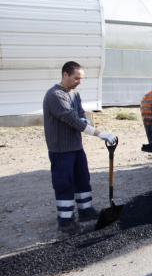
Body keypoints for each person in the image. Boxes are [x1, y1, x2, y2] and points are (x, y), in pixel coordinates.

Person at [43, 61, 117, 233]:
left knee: (82, 178)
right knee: (64, 183)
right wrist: (99, 133)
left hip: (76, 146)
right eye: (76, 78)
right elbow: (70, 118)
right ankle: (66, 221)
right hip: (60, 150)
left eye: (81, 79)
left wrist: (86, 121)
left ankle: (85, 211)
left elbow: (80, 115)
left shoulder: (74, 94)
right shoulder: (55, 95)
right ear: (65, 75)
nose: (79, 82)